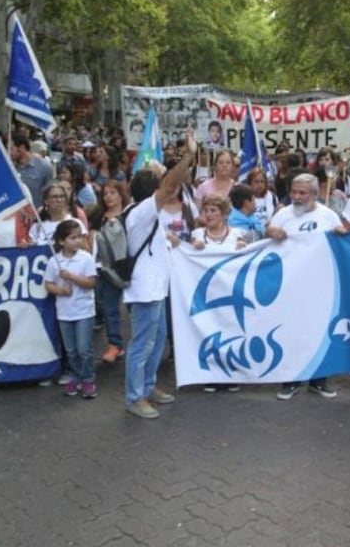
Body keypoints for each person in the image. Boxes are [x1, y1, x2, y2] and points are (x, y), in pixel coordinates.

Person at [123, 131, 199, 419]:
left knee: (157, 340)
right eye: (160, 189)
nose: (168, 194)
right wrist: (188, 156)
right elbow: (169, 186)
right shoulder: (140, 213)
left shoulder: (146, 216)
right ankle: (134, 397)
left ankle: (147, 386)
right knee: (142, 344)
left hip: (158, 289)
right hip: (145, 291)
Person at [267, 173, 347, 400]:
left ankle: (318, 381)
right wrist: (271, 231)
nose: (296, 197)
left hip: (321, 287)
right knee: (290, 332)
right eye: (294, 192)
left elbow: (343, 242)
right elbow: (268, 234)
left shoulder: (328, 216)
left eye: (302, 193)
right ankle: (290, 380)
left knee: (319, 332)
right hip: (290, 286)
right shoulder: (282, 214)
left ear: (314, 194)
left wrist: (342, 235)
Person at [191, 194, 247, 394]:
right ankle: (211, 374)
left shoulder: (236, 234)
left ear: (224, 214)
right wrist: (192, 248)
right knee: (209, 332)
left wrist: (243, 248)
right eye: (206, 210)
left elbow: (244, 258)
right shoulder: (197, 234)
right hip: (206, 295)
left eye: (213, 210)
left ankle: (231, 372)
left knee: (231, 331)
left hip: (230, 293)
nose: (209, 214)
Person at [43, 220, 99, 399]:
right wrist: (60, 290)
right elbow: (48, 284)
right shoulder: (54, 261)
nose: (77, 241)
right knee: (71, 350)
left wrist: (71, 277)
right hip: (64, 312)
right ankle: (76, 376)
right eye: (72, 238)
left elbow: (91, 283)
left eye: (79, 237)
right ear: (61, 242)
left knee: (84, 348)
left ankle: (88, 378)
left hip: (84, 310)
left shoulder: (86, 258)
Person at [89, 181, 130, 364]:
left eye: (113, 192)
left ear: (121, 194)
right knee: (110, 308)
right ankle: (115, 344)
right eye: (105, 194)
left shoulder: (129, 215)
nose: (109, 197)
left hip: (129, 267)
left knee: (134, 309)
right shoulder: (98, 216)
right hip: (105, 268)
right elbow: (91, 242)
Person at [11, 133, 53, 208]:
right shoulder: (10, 167)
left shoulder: (44, 166)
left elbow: (49, 193)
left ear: (21, 148)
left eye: (12, 149)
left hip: (37, 215)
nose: (10, 152)